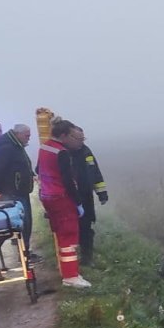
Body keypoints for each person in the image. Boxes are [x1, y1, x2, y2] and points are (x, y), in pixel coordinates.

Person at [37, 119, 90, 288]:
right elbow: (68, 181)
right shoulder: (62, 153)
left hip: (47, 197)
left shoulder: (45, 147)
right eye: (71, 135)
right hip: (61, 198)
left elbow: (39, 169)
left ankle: (69, 272)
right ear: (64, 135)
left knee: (61, 236)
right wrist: (78, 202)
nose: (72, 140)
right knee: (68, 237)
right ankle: (71, 276)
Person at [0, 124, 42, 263]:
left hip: (21, 190)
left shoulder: (16, 145)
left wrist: (31, 174)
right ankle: (24, 254)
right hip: (14, 192)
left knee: (26, 222)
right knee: (23, 223)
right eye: (27, 135)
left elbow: (21, 164)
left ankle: (25, 251)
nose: (29, 138)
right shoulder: (8, 148)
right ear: (18, 134)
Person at [70, 127, 108, 266]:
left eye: (83, 139)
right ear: (70, 138)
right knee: (73, 229)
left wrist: (102, 193)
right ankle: (71, 260)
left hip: (86, 197)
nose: (81, 142)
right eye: (79, 139)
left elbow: (95, 172)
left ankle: (87, 258)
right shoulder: (63, 153)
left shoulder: (86, 151)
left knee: (86, 228)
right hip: (70, 198)